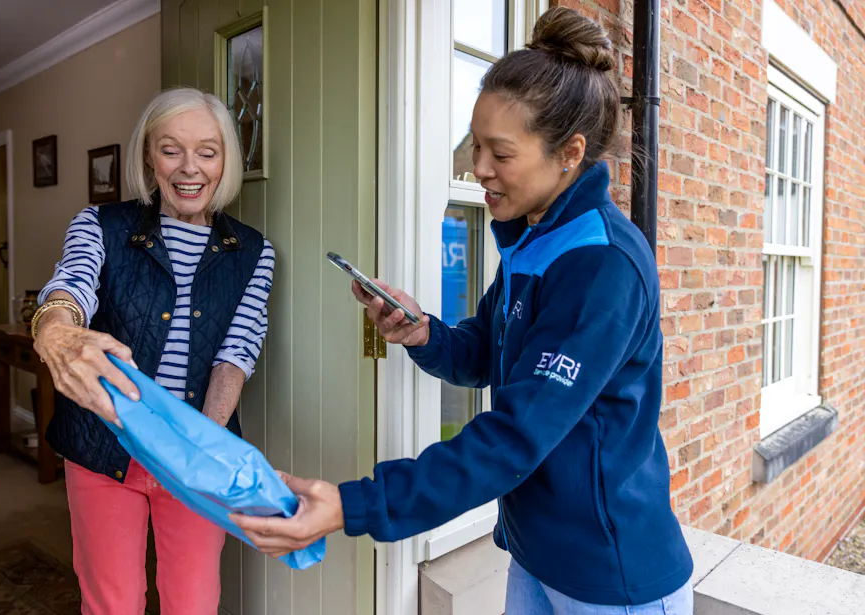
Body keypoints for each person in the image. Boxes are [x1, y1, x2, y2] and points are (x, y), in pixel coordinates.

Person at [232, 7, 693, 614]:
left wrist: (352, 505)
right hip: (536, 553)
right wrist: (422, 333)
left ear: (569, 153)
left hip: (611, 576)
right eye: (476, 145)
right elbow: (486, 351)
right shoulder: (534, 237)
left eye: (499, 153)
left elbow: (514, 436)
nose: (477, 168)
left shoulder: (601, 265)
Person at [30, 87, 274, 615]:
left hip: (197, 449)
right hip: (103, 447)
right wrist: (56, 327)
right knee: (112, 603)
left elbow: (236, 355)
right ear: (148, 155)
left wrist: (199, 450)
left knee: (194, 602)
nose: (190, 168)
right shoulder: (100, 225)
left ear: (225, 160)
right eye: (171, 149)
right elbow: (71, 284)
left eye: (207, 152)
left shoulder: (253, 251)